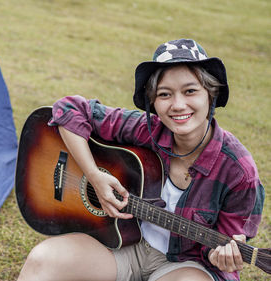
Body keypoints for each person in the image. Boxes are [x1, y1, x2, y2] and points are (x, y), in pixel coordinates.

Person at [17, 39, 265, 281]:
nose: (178, 105)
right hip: (124, 245)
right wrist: (92, 174)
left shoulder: (239, 171)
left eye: (190, 91)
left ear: (210, 95)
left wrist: (221, 254)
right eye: (164, 94)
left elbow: (226, 245)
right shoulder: (146, 129)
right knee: (44, 259)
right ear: (153, 102)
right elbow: (69, 109)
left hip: (185, 266)